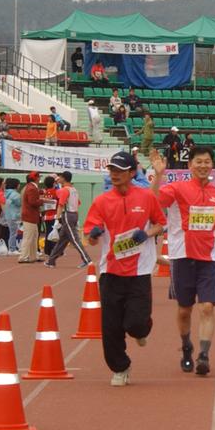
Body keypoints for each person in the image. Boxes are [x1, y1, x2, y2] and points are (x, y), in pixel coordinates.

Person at [150, 146, 215, 377]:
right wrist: (159, 175)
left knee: (207, 307)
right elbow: (154, 200)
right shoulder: (177, 189)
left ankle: (204, 355)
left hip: (209, 258)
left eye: (207, 161)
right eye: (198, 161)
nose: (203, 165)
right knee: (184, 310)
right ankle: (187, 347)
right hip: (182, 257)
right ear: (190, 165)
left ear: (212, 165)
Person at [84, 151, 167, 387]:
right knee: (110, 326)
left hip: (139, 270)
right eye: (112, 170)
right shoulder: (101, 201)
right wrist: (93, 235)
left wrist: (147, 234)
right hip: (110, 271)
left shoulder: (146, 197)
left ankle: (141, 331)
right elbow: (89, 236)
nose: (114, 174)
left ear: (132, 173)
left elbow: (160, 224)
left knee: (136, 323)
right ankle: (120, 367)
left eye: (119, 170)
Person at [45, 172, 90, 268]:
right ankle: (51, 260)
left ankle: (87, 260)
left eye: (60, 177)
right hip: (74, 214)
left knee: (74, 239)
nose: (58, 178)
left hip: (67, 215)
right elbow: (78, 203)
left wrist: (57, 220)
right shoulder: (74, 190)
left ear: (64, 178)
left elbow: (60, 205)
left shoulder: (64, 190)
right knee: (62, 240)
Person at [18, 171, 42, 263]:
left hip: (30, 215)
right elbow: (32, 202)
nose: (39, 178)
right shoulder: (32, 188)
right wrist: (42, 201)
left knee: (33, 236)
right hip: (30, 215)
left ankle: (33, 256)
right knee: (28, 237)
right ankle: (23, 257)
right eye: (39, 177)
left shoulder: (30, 187)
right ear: (36, 178)